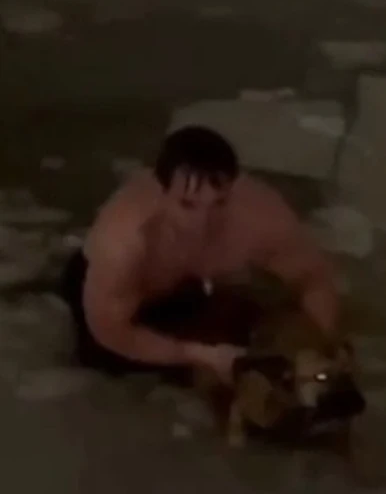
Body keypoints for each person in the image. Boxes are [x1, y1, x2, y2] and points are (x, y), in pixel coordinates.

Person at [58, 125, 339, 384]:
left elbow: (315, 280)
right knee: (110, 365)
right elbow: (109, 330)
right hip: (114, 296)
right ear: (161, 193)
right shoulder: (124, 239)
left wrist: (320, 347)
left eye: (219, 203)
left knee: (255, 340)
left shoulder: (262, 218)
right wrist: (199, 356)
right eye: (187, 205)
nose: (203, 222)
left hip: (184, 286)